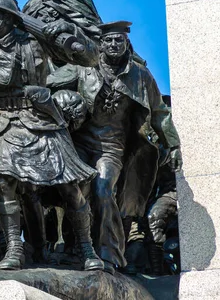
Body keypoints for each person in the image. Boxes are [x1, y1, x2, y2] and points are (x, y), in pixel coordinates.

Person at [0, 0, 104, 272]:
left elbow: (88, 58)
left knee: (69, 186)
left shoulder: (35, 42)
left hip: (42, 120)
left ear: (10, 19)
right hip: (5, 122)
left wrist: (71, 35)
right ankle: (14, 248)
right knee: (5, 184)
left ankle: (86, 248)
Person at [47, 21, 182, 274]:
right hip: (81, 143)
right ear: (100, 44)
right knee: (73, 190)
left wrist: (173, 145)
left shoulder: (140, 75)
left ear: (126, 43)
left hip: (112, 147)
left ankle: (109, 254)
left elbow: (160, 113)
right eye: (108, 40)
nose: (113, 45)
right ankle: (77, 249)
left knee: (102, 188)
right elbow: (48, 82)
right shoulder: (83, 67)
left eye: (118, 40)